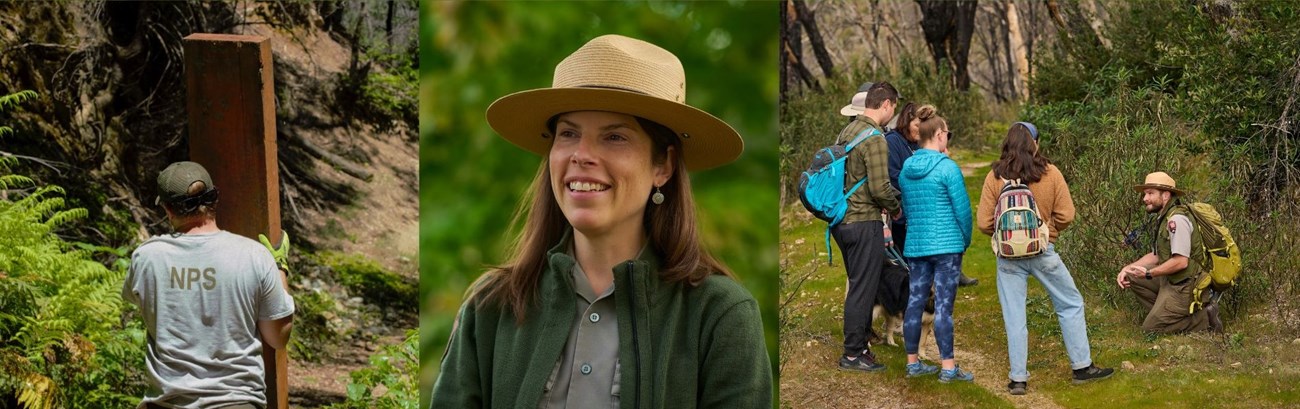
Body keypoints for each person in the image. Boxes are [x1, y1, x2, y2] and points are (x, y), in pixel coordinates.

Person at [429, 34, 771, 409]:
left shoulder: (720, 316)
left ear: (664, 166)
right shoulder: (491, 306)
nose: (582, 155)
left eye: (614, 137)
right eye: (569, 133)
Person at [123, 161, 295, 409]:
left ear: (169, 209)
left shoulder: (147, 257)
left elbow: (145, 306)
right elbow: (278, 337)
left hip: (166, 403)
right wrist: (280, 268)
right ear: (214, 199)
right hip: (236, 402)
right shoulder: (255, 256)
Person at [975, 123, 1113, 395]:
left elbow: (982, 222)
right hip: (1043, 251)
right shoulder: (1049, 173)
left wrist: (1006, 236)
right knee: (1070, 303)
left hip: (1008, 258)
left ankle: (1018, 379)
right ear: (1034, 144)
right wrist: (1048, 232)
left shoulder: (995, 176)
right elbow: (1068, 214)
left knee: (1014, 315)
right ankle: (1082, 367)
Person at [897, 105, 972, 382]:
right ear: (939, 134)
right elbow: (962, 211)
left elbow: (907, 207)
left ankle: (912, 363)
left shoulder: (906, 169)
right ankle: (949, 368)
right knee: (943, 308)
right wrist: (964, 240)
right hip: (946, 247)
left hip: (916, 246)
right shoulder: (947, 168)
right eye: (947, 134)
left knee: (915, 302)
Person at [832, 81, 902, 372]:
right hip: (863, 221)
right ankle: (852, 354)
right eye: (893, 108)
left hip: (841, 221)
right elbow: (879, 187)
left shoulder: (848, 130)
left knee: (858, 283)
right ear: (885, 104)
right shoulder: (875, 138)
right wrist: (896, 208)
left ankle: (860, 345)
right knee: (863, 287)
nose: (892, 115)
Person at [884, 101, 977, 286]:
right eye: (917, 125)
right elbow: (962, 210)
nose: (920, 130)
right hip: (915, 220)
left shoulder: (916, 155)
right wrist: (964, 240)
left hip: (919, 233)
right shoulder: (895, 143)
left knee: (917, 297)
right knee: (939, 300)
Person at [1116, 172, 1222, 333]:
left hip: (1186, 285)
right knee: (1132, 276)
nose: (1145, 198)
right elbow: (1157, 255)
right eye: (1145, 194)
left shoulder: (1176, 220)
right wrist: (1127, 268)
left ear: (1165, 195)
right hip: (1171, 280)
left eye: (1150, 193)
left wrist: (1150, 273)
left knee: (1150, 329)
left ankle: (1204, 318)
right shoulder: (1164, 218)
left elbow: (1181, 262)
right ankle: (1166, 315)